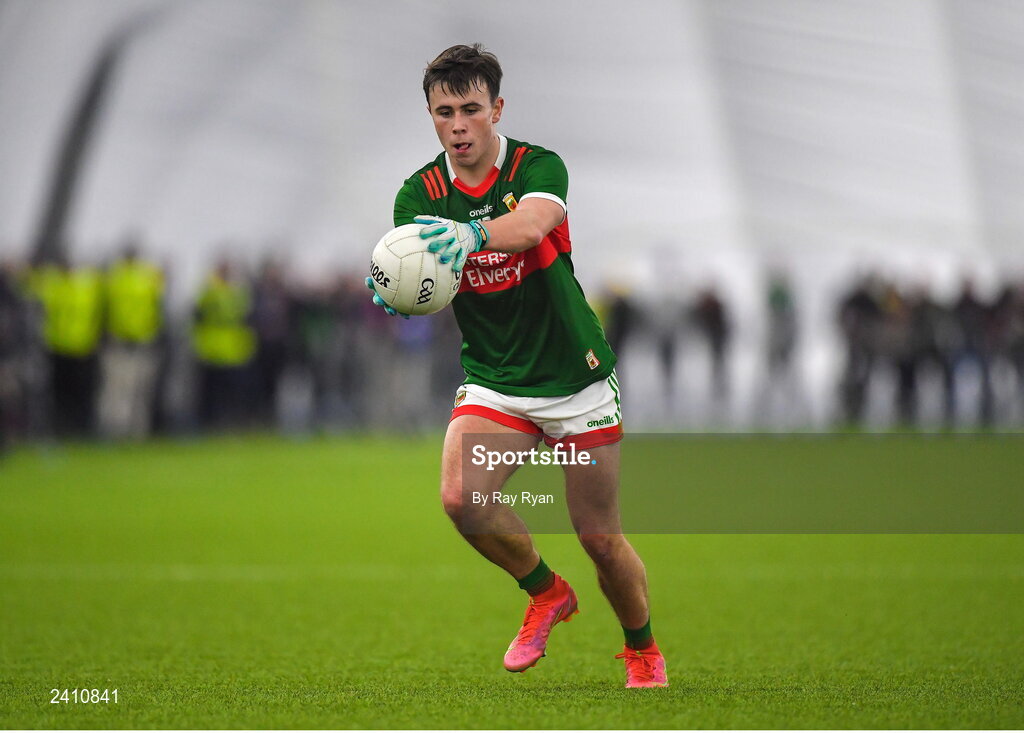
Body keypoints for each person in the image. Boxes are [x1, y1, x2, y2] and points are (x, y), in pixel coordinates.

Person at [365, 44, 667, 688]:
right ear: (431, 116)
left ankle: (641, 648)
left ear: (496, 109)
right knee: (461, 500)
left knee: (600, 540)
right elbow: (429, 282)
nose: (459, 125)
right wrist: (399, 295)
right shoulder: (418, 195)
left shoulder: (539, 167)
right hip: (497, 381)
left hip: (576, 380)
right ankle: (545, 592)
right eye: (444, 112)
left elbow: (530, 227)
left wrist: (475, 234)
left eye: (471, 109)